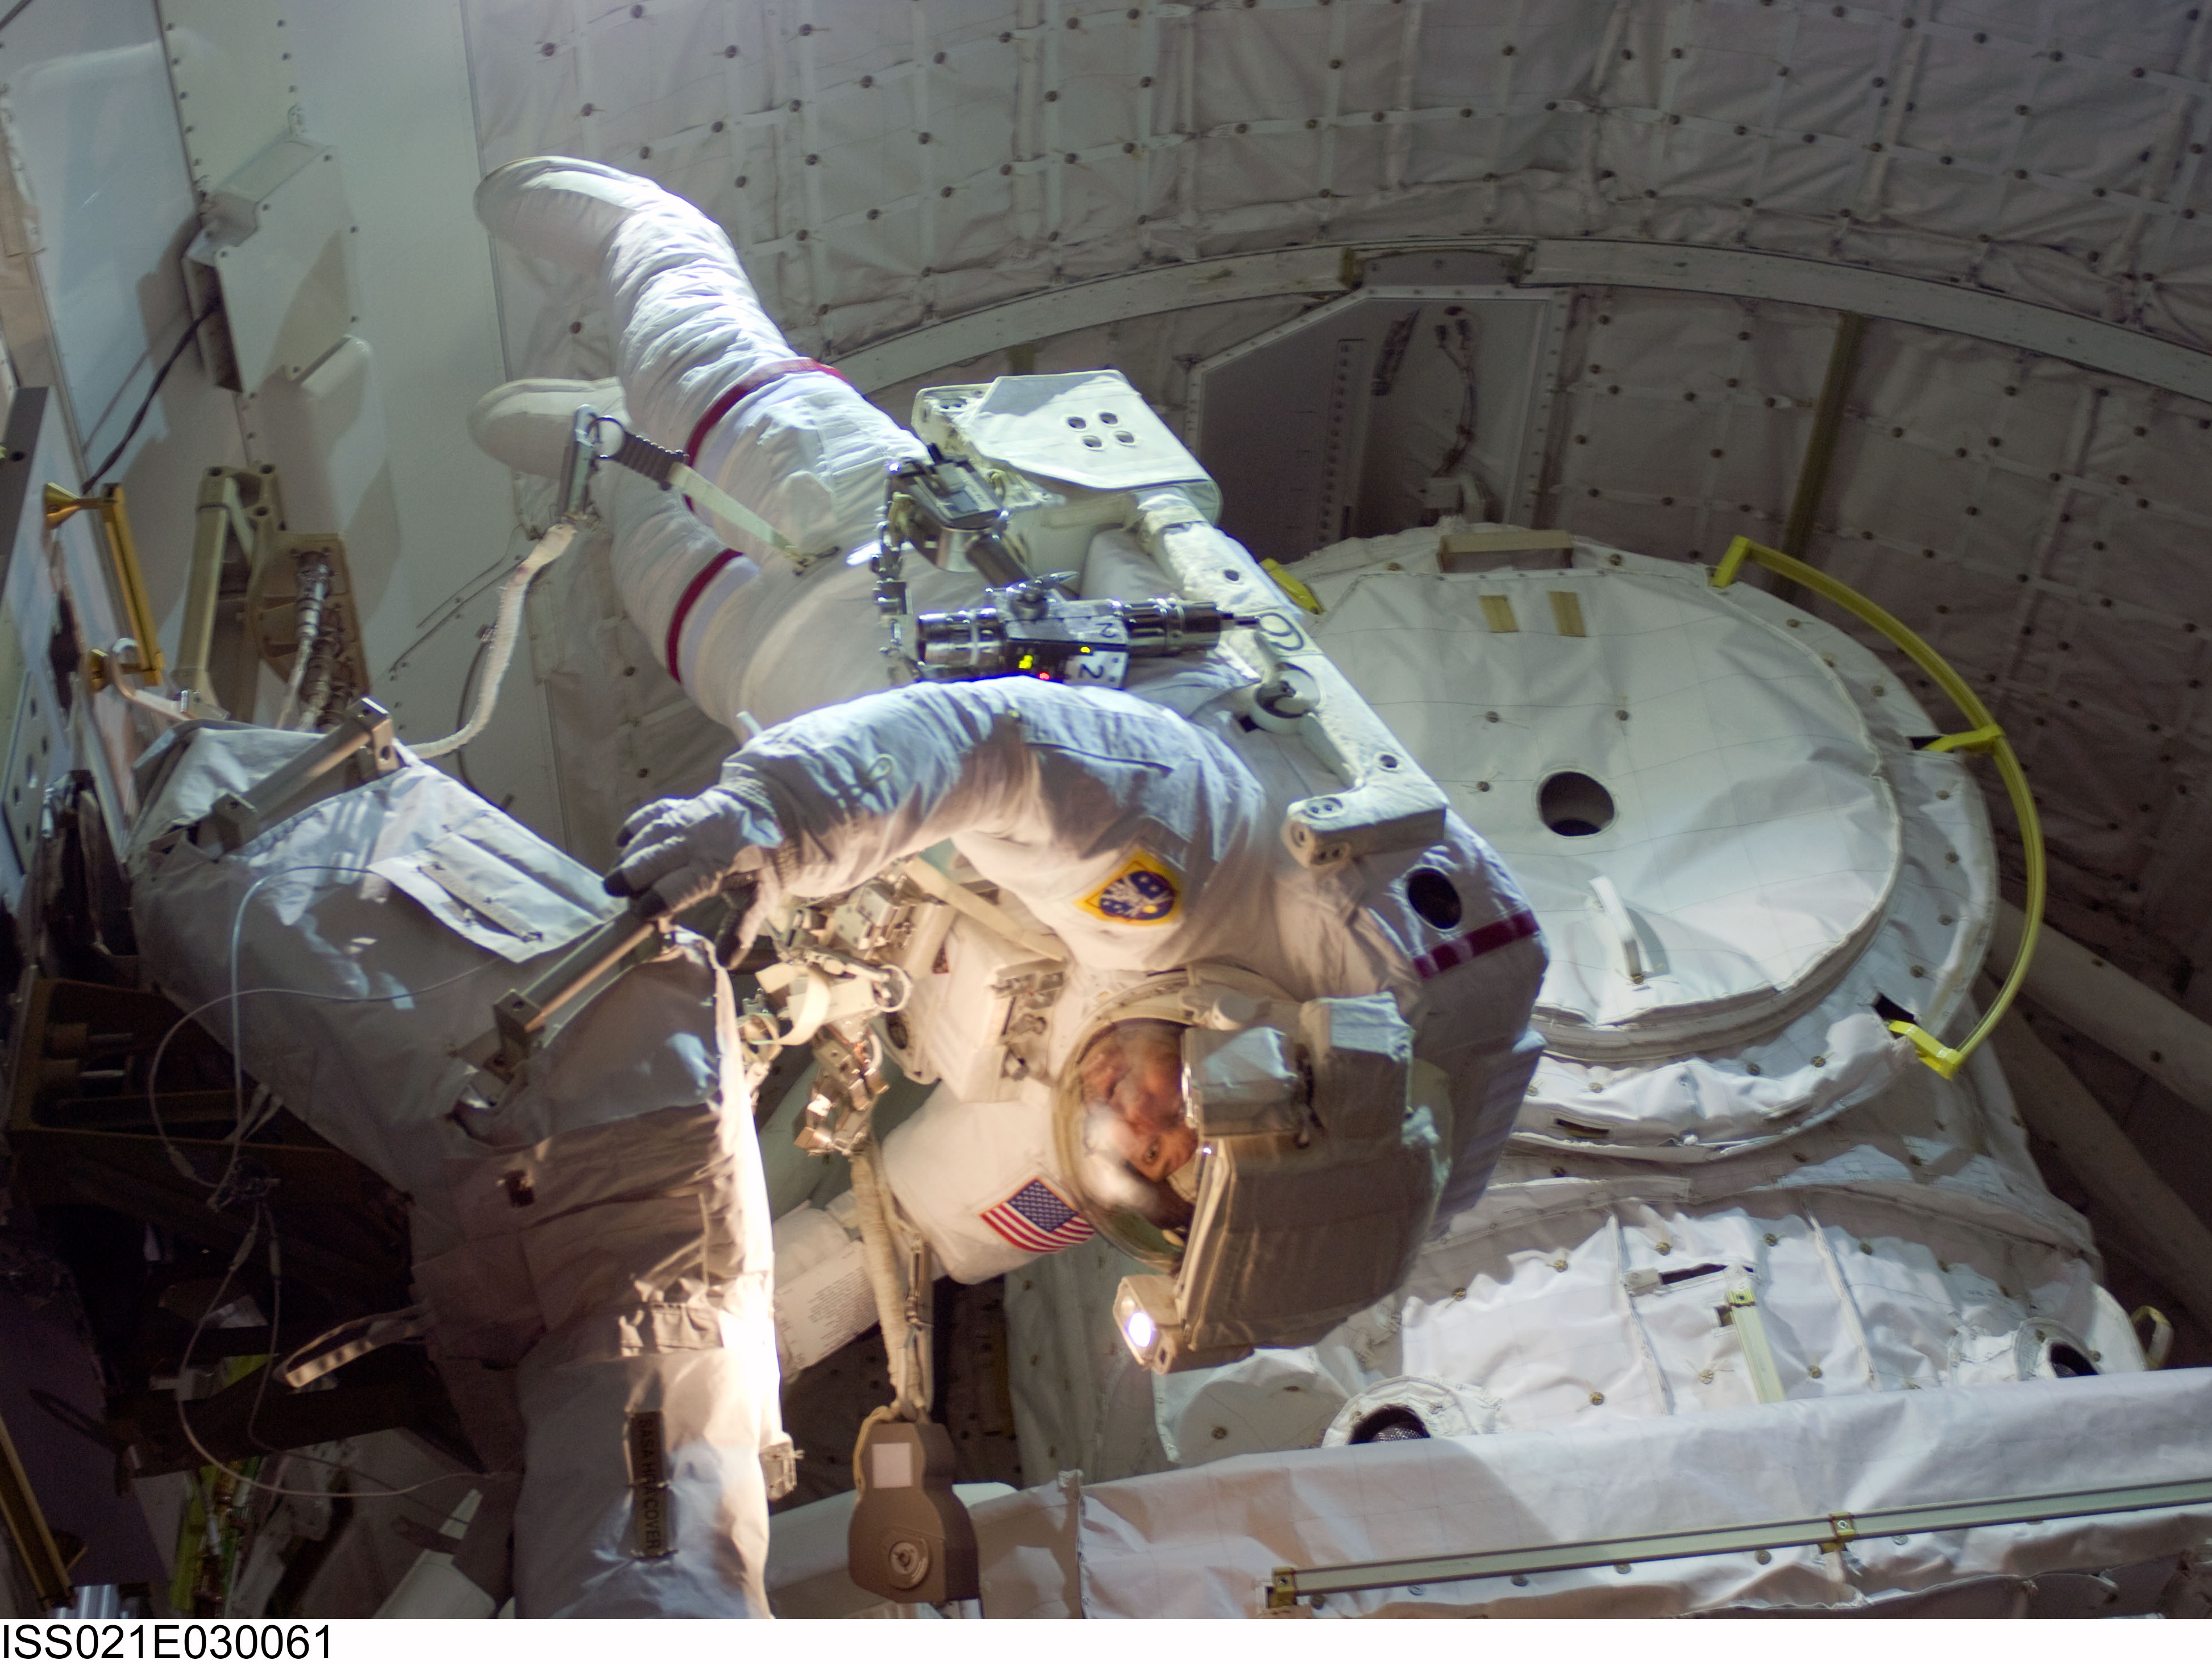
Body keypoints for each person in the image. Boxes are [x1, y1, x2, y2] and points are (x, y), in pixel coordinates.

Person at [470, 158, 1548, 1311]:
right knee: (695, 366)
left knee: (646, 551)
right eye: (1170, 1128)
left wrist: (725, 1345)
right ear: (1254, 1070)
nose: (1128, 1123)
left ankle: (602, 443)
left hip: (799, 681)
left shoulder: (1069, 1144)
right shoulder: (1204, 885)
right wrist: (759, 831)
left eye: (1139, 1171)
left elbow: (899, 1228)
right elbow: (998, 748)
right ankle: (650, 230)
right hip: (902, 568)